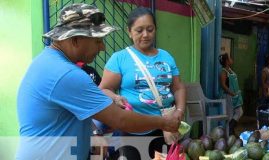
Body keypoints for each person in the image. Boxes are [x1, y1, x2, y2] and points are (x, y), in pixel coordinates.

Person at [16, 3, 180, 160]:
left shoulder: (49, 61)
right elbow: (121, 120)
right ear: (75, 40)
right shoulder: (67, 74)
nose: (103, 48)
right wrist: (164, 122)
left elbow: (73, 112)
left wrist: (94, 132)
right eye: (97, 41)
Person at [99, 7, 186, 159]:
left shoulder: (166, 56)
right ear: (129, 32)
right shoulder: (120, 58)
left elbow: (178, 87)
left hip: (166, 128)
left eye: (150, 29)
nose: (145, 35)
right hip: (134, 128)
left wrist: (179, 111)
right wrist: (115, 98)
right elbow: (104, 89)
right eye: (139, 30)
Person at [218, 53, 243, 135]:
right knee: (230, 116)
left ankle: (230, 128)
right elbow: (223, 85)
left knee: (239, 112)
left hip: (235, 96)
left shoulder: (230, 70)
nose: (231, 59)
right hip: (228, 96)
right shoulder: (223, 72)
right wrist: (231, 93)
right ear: (227, 61)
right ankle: (229, 133)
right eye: (229, 58)